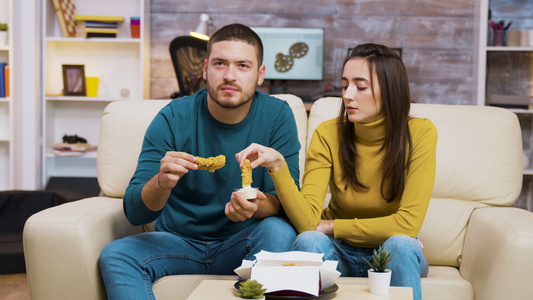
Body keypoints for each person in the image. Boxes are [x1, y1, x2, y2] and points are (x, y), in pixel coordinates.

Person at [99, 23, 300, 299]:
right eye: (220, 63)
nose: (230, 75)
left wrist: (255, 206)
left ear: (260, 74)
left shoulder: (278, 116)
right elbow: (136, 213)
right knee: (116, 254)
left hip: (242, 243)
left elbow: (287, 204)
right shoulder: (172, 118)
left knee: (278, 232)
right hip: (177, 243)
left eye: (243, 66)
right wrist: (161, 182)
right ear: (205, 69)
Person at [236, 43, 437, 300]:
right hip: (339, 251)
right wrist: (278, 166)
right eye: (344, 85)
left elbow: (407, 224)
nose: (347, 95)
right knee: (309, 240)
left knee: (401, 243)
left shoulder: (421, 133)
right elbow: (307, 224)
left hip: (392, 252)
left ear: (390, 90)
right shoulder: (328, 133)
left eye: (360, 86)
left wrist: (332, 225)